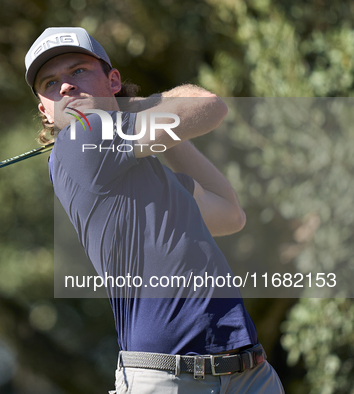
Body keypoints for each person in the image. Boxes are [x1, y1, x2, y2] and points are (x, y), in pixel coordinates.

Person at [24, 27, 284, 393]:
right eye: (50, 83)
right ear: (45, 113)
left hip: (248, 370)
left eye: (78, 71)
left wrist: (152, 126)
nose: (65, 86)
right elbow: (208, 106)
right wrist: (142, 105)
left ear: (113, 80)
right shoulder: (80, 138)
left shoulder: (149, 177)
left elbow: (228, 213)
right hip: (168, 377)